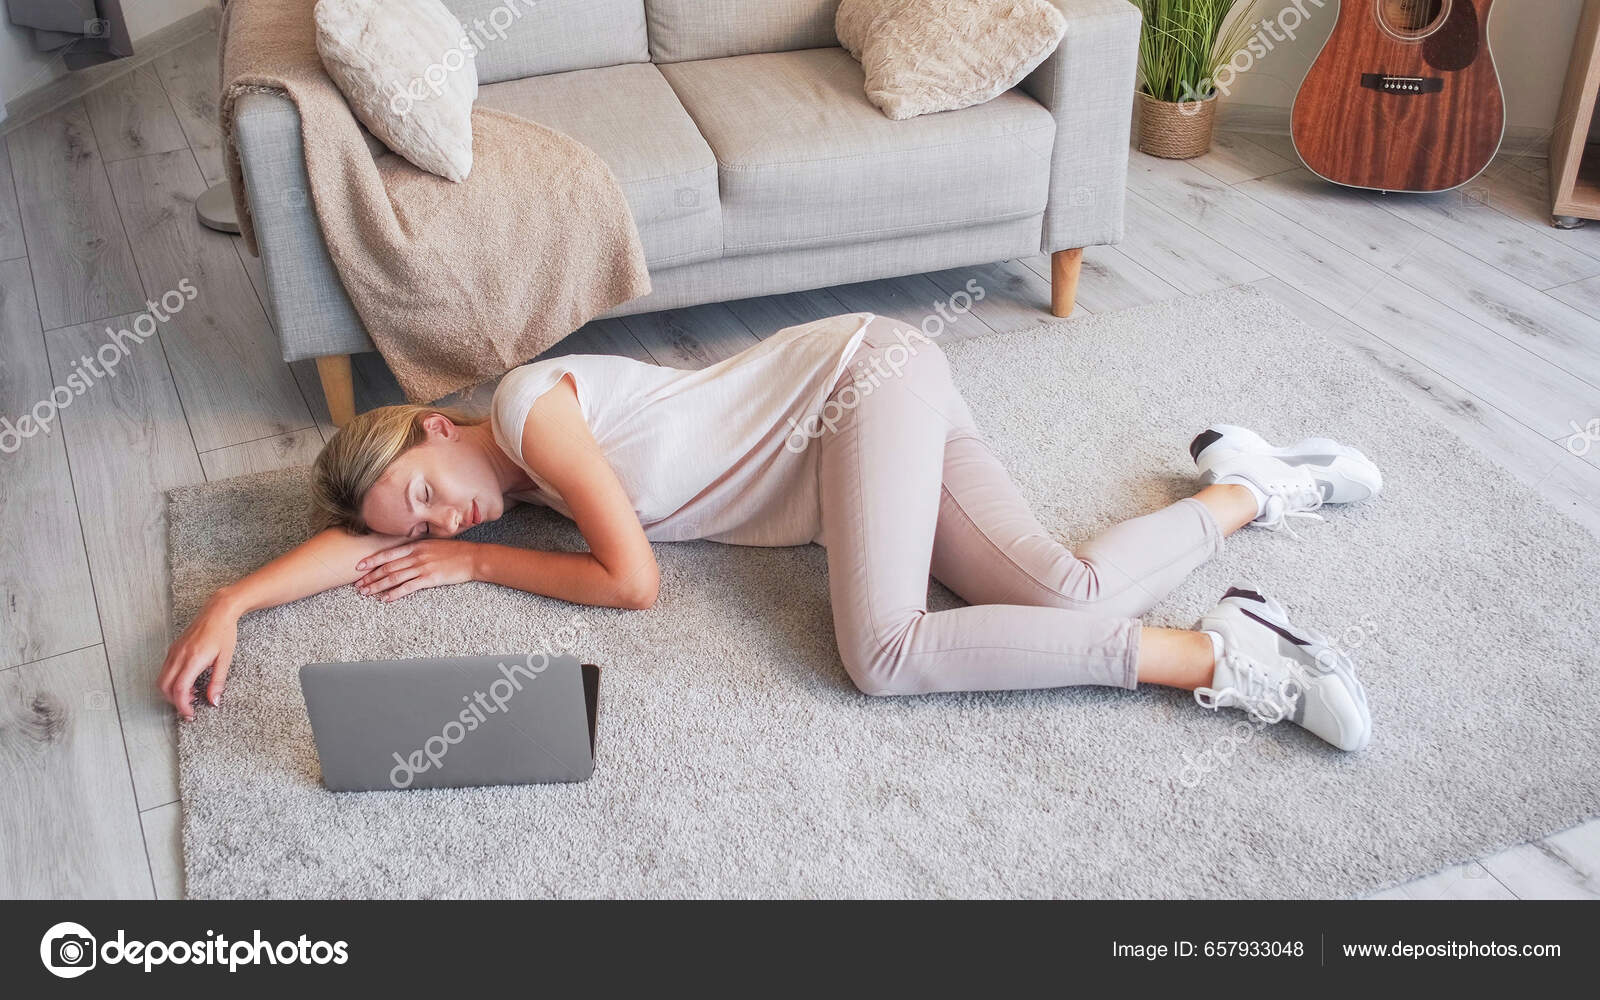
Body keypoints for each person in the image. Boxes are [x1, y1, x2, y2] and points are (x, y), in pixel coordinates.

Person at [159, 313, 1378, 750]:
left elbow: (632, 583)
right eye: (419, 525)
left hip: (860, 384)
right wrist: (230, 603)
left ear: (435, 425)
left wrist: (473, 561)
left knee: (883, 653)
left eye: (426, 493)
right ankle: (1249, 489)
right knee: (1062, 592)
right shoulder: (511, 479)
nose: (440, 521)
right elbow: (357, 544)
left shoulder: (530, 414)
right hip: (867, 431)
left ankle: (1221, 656)